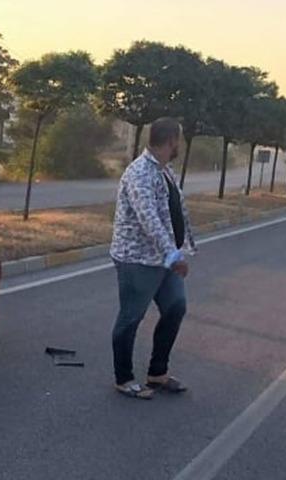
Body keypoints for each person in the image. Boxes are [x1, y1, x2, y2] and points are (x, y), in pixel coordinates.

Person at [109, 117, 196, 400]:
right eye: (179, 139)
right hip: (137, 259)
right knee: (130, 317)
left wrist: (179, 248)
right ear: (171, 140)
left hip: (163, 259)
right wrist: (173, 254)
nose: (180, 145)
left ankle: (157, 372)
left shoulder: (163, 170)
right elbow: (149, 219)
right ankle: (124, 378)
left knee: (176, 307)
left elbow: (173, 213)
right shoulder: (140, 173)